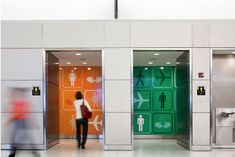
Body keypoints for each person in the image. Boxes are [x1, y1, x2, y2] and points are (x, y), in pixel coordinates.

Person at [6, 87, 40, 157]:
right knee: (16, 136)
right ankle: (14, 152)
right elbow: (14, 112)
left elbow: (26, 112)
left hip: (22, 121)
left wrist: (35, 122)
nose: (15, 94)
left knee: (23, 136)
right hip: (16, 120)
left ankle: (33, 150)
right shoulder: (14, 102)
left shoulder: (24, 102)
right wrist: (10, 120)